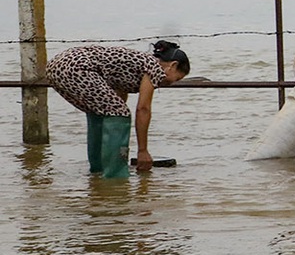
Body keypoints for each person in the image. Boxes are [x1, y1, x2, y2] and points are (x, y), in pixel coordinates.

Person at [45, 41, 191, 178]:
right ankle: (115, 176)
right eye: (177, 78)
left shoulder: (139, 62)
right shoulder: (155, 68)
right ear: (172, 65)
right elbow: (143, 109)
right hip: (76, 67)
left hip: (57, 66)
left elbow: (118, 93)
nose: (171, 83)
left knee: (102, 112)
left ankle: (98, 170)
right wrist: (142, 151)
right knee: (119, 113)